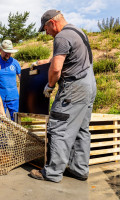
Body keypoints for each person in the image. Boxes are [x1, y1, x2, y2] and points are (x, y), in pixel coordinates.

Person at [29, 9, 97, 183]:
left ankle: (52, 172)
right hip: (88, 84)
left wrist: (50, 86)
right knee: (81, 129)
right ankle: (79, 170)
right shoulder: (78, 32)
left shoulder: (61, 37)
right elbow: (68, 58)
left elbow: (57, 68)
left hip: (73, 88)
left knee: (58, 127)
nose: (47, 33)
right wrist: (42, 63)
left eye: (45, 29)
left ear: (52, 23)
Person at [0, 40, 21, 121]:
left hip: (14, 98)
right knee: (0, 121)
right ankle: (2, 134)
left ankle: (14, 134)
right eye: (6, 52)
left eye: (10, 52)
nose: (8, 54)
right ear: (0, 50)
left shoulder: (15, 63)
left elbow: (22, 78)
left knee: (16, 121)